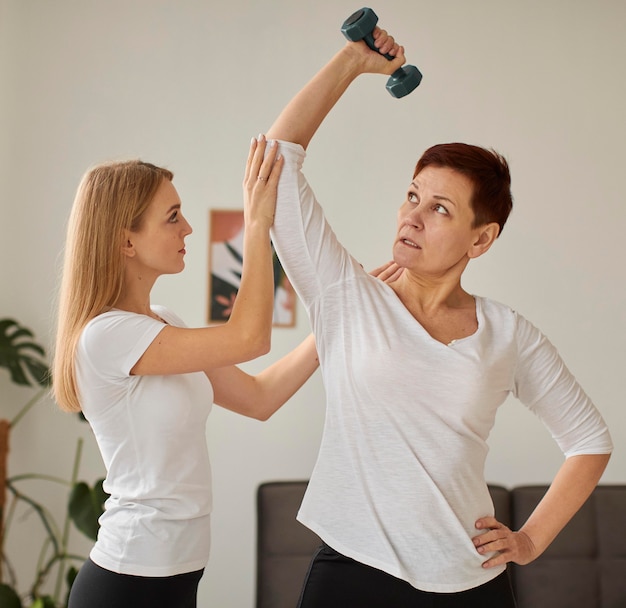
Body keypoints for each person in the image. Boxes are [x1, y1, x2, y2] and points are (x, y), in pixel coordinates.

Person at [264, 22, 613, 608]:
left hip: (470, 582)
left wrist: (529, 540)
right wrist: (351, 63)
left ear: (481, 240)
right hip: (352, 573)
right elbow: (274, 164)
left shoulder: (508, 334)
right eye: (412, 196)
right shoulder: (348, 297)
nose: (413, 216)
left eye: (440, 208)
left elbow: (590, 440)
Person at [52, 136, 322, 608]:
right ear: (125, 240)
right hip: (128, 582)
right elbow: (249, 337)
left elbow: (259, 399)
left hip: (177, 576)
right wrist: (256, 222)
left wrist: (336, 323)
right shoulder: (107, 336)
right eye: (173, 216)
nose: (189, 229)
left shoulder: (163, 322)